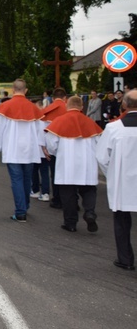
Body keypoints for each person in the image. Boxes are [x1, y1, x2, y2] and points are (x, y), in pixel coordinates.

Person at [44, 96, 102, 232]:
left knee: (68, 194)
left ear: (67, 106)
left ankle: (70, 223)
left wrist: (57, 153)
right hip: (87, 165)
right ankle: (89, 212)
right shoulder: (90, 123)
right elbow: (100, 145)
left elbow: (51, 145)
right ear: (82, 107)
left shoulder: (59, 122)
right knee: (89, 190)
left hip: (67, 165)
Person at [0, 79, 44, 222]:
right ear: (25, 91)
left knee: (16, 179)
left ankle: (20, 212)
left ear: (13, 90)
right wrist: (41, 147)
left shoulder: (5, 106)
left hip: (13, 148)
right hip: (29, 149)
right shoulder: (33, 108)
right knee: (27, 179)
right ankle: (25, 206)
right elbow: (40, 130)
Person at [96, 89, 137, 271]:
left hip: (123, 182)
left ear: (124, 105)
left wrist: (112, 173)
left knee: (122, 221)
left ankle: (125, 259)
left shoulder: (113, 128)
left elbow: (102, 157)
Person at [41, 87, 68, 209]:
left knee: (55, 173)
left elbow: (43, 131)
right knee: (70, 174)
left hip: (54, 148)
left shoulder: (47, 111)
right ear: (65, 98)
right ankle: (72, 200)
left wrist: (44, 147)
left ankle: (57, 199)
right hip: (70, 148)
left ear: (52, 98)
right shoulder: (70, 109)